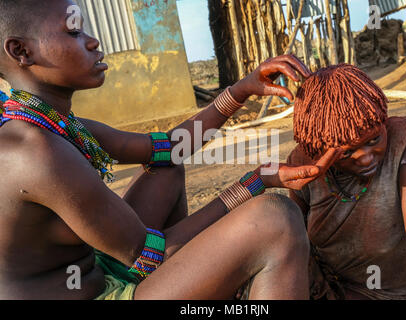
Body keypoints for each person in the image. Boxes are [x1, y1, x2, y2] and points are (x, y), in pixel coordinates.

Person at [0, 0, 339, 300]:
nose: (93, 41)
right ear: (21, 51)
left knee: (167, 168)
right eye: (73, 32)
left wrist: (239, 91)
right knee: (275, 220)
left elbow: (170, 150)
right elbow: (149, 257)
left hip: (101, 269)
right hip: (101, 287)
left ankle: (206, 280)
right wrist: (255, 182)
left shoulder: (53, 124)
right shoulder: (37, 152)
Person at [287, 63, 406, 300]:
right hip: (320, 289)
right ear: (318, 148)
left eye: (374, 140)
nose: (365, 158)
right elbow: (293, 244)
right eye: (345, 152)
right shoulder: (303, 162)